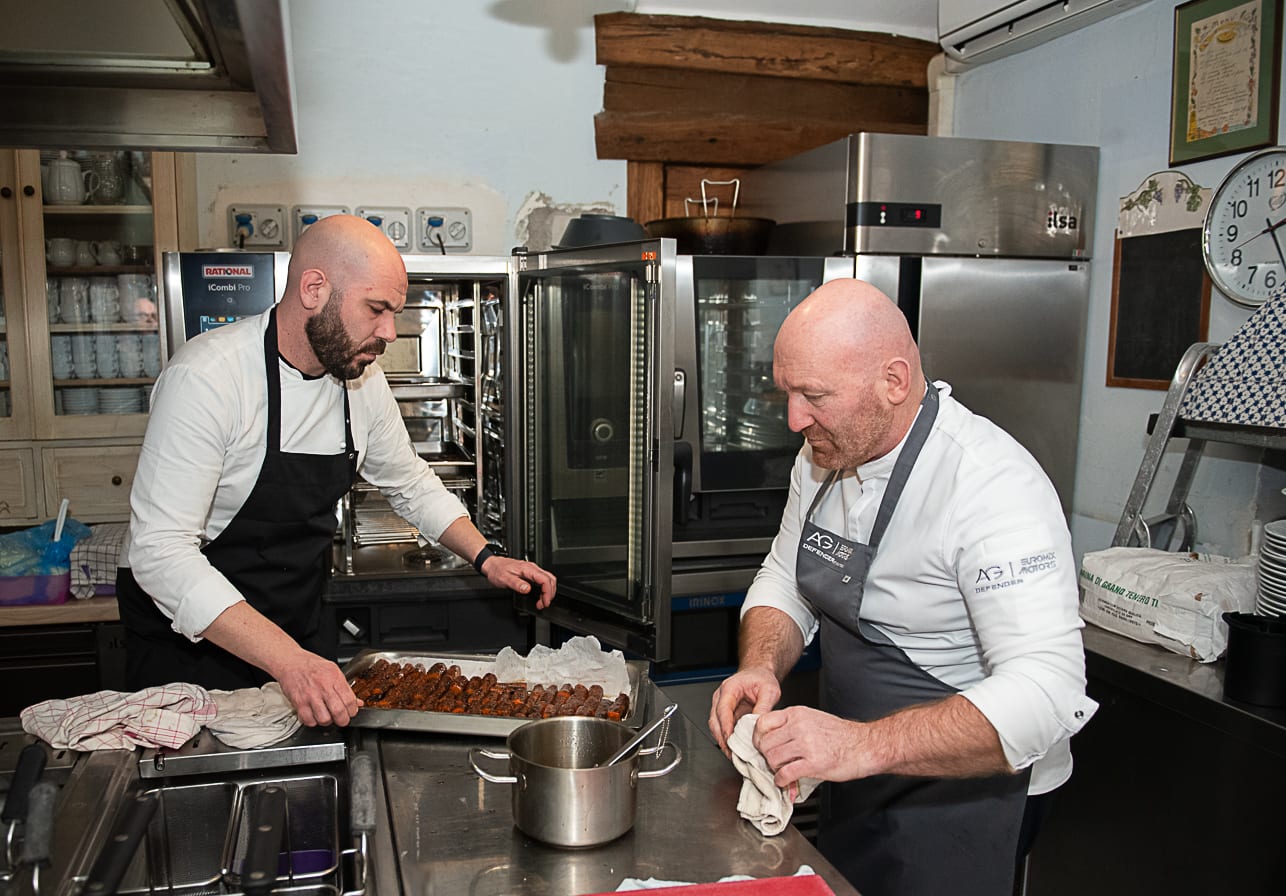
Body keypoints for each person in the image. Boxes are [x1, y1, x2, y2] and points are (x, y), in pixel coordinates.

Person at [708, 279, 1096, 896]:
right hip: (857, 772)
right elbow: (785, 578)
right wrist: (762, 666)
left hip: (971, 795)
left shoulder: (991, 486)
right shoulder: (822, 456)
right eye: (787, 393)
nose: (793, 419)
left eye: (814, 395)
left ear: (893, 382)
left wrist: (860, 744)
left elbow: (1047, 694)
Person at [118, 215, 556, 728]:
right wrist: (287, 661)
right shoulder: (207, 379)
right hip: (194, 644)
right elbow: (160, 551)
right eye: (376, 309)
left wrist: (485, 557)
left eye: (394, 313)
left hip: (294, 625)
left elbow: (408, 480)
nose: (389, 332)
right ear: (313, 288)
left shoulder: (360, 381)